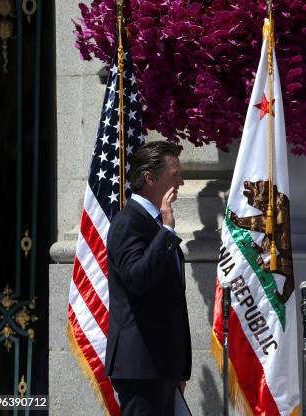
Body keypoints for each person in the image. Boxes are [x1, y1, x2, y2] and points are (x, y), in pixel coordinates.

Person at [105, 141, 192, 416]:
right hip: (141, 367)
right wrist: (166, 231)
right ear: (150, 178)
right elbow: (137, 278)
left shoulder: (153, 222)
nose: (181, 180)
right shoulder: (128, 221)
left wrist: (177, 367)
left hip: (161, 366)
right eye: (174, 173)